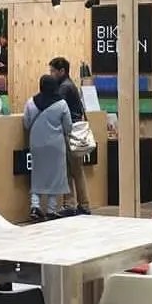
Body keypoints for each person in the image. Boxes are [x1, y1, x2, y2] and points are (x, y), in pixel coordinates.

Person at [23, 75, 71, 221]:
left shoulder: (31, 102)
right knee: (55, 176)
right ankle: (51, 209)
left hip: (37, 144)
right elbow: (68, 127)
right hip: (56, 145)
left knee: (37, 174)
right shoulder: (62, 104)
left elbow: (26, 123)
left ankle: (35, 206)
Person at [49, 56, 90, 215]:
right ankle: (79, 205)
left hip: (69, 132)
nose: (51, 74)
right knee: (75, 170)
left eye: (53, 71)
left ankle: (72, 205)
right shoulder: (69, 85)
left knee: (71, 170)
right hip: (74, 131)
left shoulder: (64, 87)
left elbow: (56, 107)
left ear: (62, 71)